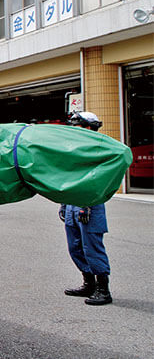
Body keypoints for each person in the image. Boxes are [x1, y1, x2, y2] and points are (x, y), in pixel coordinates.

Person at [58, 111, 112, 305]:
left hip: (90, 205)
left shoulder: (98, 149)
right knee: (74, 247)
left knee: (92, 248)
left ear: (88, 127)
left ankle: (103, 290)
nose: (73, 129)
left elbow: (97, 180)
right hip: (73, 204)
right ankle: (88, 283)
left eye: (77, 125)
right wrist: (64, 204)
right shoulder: (75, 149)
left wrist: (86, 204)